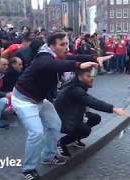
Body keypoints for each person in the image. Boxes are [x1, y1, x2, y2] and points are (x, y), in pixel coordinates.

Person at [11, 33, 112, 180]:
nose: (66, 47)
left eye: (66, 44)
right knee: (36, 133)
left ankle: (48, 156)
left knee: (55, 124)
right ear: (52, 46)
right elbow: (54, 65)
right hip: (24, 100)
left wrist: (95, 58)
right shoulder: (43, 58)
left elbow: (73, 57)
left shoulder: (57, 56)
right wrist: (78, 66)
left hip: (39, 100)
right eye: (62, 45)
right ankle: (28, 169)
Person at [54, 68, 130, 157]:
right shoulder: (74, 89)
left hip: (70, 114)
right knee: (85, 130)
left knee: (95, 118)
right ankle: (61, 143)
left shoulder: (78, 86)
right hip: (62, 119)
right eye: (88, 76)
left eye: (92, 76)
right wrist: (113, 109)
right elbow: (92, 102)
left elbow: (84, 102)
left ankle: (74, 137)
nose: (92, 78)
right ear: (80, 77)